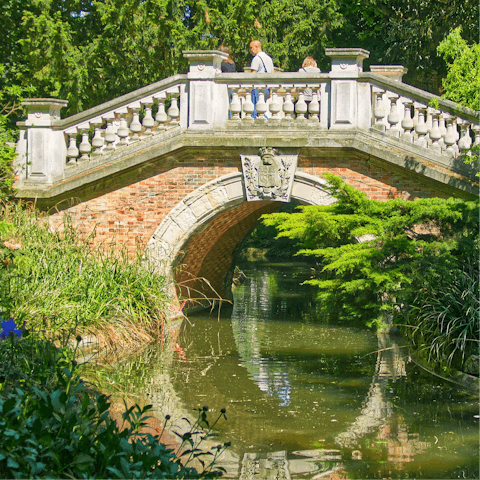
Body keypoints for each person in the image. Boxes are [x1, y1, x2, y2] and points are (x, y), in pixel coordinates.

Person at [249, 40, 274, 118]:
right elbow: (272, 74)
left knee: (255, 113)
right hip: (267, 88)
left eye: (251, 48)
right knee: (261, 111)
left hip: (257, 88)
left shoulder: (256, 59)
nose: (250, 50)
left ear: (256, 47)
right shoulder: (269, 59)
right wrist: (271, 89)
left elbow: (253, 75)